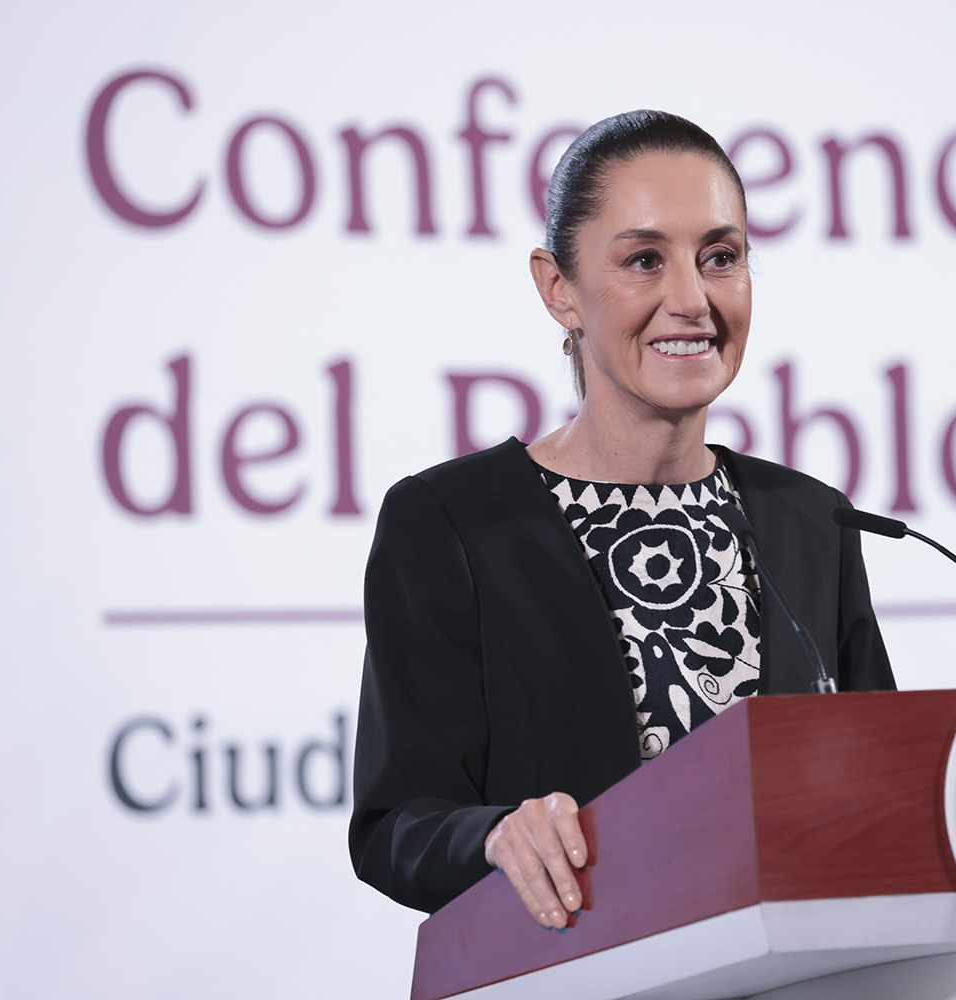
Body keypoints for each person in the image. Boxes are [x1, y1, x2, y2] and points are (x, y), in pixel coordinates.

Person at [349, 110, 895, 930]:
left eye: (721, 257)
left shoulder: (810, 520)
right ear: (558, 288)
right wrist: (494, 836)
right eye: (644, 260)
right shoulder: (453, 523)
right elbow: (396, 825)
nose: (692, 299)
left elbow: (883, 782)